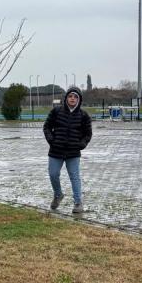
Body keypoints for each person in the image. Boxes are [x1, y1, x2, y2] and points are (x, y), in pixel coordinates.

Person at [43, 86, 92, 215]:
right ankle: (58, 195)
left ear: (79, 100)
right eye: (70, 96)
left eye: (75, 97)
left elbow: (88, 134)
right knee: (53, 174)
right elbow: (47, 127)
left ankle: (78, 202)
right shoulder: (56, 111)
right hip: (56, 151)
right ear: (66, 98)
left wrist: (81, 144)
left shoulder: (84, 115)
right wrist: (51, 140)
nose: (72, 99)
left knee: (74, 177)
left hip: (73, 152)